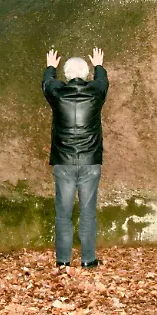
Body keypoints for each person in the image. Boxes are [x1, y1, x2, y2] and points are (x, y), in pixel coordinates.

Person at [42, 48, 109, 268]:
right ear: (86, 73)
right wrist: (99, 65)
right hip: (90, 162)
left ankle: (63, 261)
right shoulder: (96, 93)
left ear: (67, 75)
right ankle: (89, 261)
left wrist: (51, 66)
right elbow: (102, 81)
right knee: (88, 213)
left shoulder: (57, 94)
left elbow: (47, 83)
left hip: (64, 162)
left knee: (63, 214)